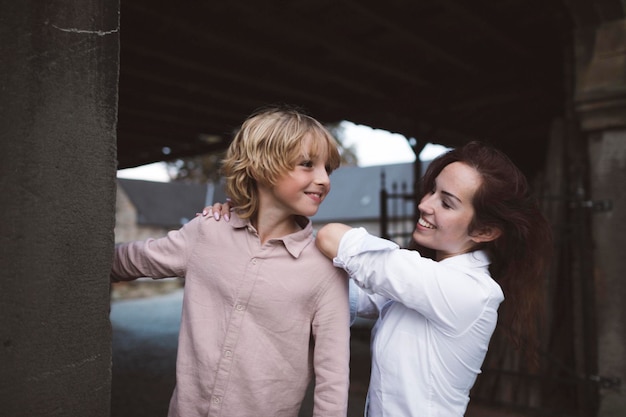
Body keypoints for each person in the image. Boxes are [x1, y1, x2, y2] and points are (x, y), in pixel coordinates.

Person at [206, 141, 553, 416]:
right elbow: (342, 296)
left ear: (485, 230)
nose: (425, 204)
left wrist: (277, 215)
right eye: (431, 190)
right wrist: (241, 226)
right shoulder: (425, 281)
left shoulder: (467, 291)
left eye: (446, 203)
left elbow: (332, 238)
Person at [111, 106, 351, 417]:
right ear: (261, 166)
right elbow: (128, 261)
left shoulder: (325, 268)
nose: (323, 180)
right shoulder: (206, 232)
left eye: (327, 169)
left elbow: (333, 377)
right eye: (307, 164)